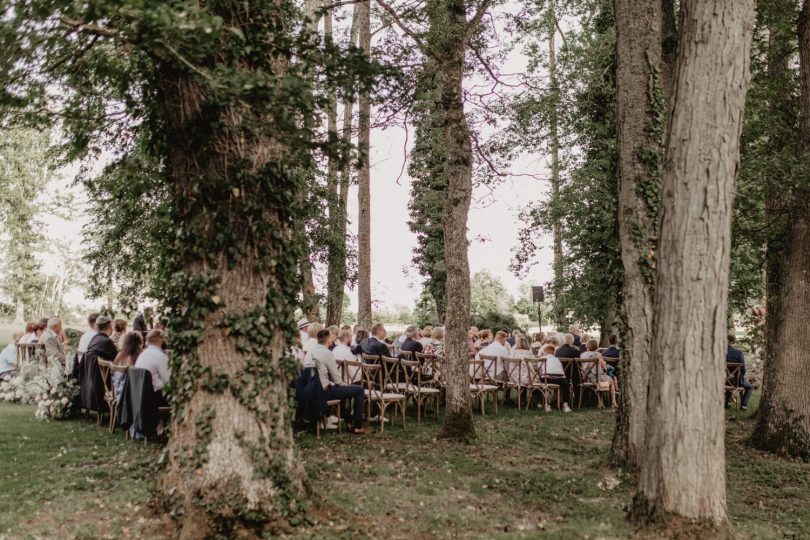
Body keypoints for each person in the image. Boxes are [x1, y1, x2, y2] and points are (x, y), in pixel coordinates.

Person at [311, 329, 369, 434]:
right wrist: (345, 386)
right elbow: (337, 380)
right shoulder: (327, 353)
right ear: (328, 340)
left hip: (313, 388)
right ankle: (358, 425)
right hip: (324, 391)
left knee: (345, 391)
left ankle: (348, 420)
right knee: (359, 390)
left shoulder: (313, 350)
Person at [581, 339, 617, 408]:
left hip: (586, 378)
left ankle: (601, 402)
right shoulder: (598, 354)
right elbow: (604, 368)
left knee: (601, 379)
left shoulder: (582, 354)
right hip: (596, 379)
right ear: (596, 347)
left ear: (587, 346)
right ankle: (613, 402)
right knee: (609, 380)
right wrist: (604, 369)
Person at [135, 329, 171, 397]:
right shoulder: (161, 356)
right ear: (160, 340)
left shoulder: (142, 355)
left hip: (140, 395)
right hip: (154, 397)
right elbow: (168, 381)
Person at [539, 344, 572, 412]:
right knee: (566, 384)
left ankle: (544, 403)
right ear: (553, 352)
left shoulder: (542, 359)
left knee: (539, 381)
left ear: (545, 352)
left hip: (547, 379)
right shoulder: (557, 359)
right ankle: (565, 404)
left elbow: (539, 371)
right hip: (560, 379)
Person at [726, 334, 753, 410]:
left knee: (729, 379)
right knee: (750, 387)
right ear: (733, 342)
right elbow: (743, 370)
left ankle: (727, 402)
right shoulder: (738, 353)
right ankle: (743, 405)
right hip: (735, 381)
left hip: (721, 380)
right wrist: (742, 376)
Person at [113, 331, 143, 396]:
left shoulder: (120, 354)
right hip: (128, 392)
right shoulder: (137, 356)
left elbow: (113, 370)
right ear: (138, 343)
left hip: (117, 389)